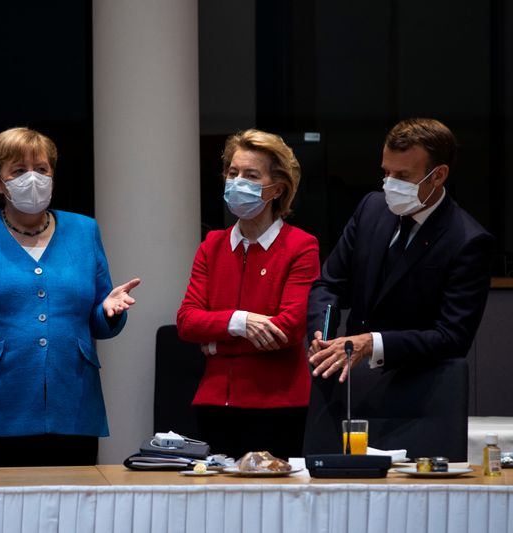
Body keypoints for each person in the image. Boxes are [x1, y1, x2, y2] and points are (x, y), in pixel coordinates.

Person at [0, 127, 140, 468]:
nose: (33, 178)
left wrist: (109, 310)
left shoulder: (84, 230)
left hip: (71, 408)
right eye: (19, 171)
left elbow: (99, 320)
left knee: (68, 520)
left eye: (41, 169)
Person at [304, 118, 493, 456]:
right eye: (386, 172)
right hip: (347, 385)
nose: (390, 184)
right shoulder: (371, 208)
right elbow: (329, 284)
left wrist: (372, 343)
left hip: (417, 395)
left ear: (439, 175)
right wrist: (323, 333)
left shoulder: (467, 241)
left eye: (403, 176)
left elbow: (452, 337)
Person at [176, 129, 320, 460]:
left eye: (251, 175)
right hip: (213, 402)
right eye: (233, 173)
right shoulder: (212, 245)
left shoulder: (301, 246)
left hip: (278, 404)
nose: (238, 181)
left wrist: (215, 341)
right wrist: (240, 322)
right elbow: (186, 321)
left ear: (276, 188)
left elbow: (287, 328)